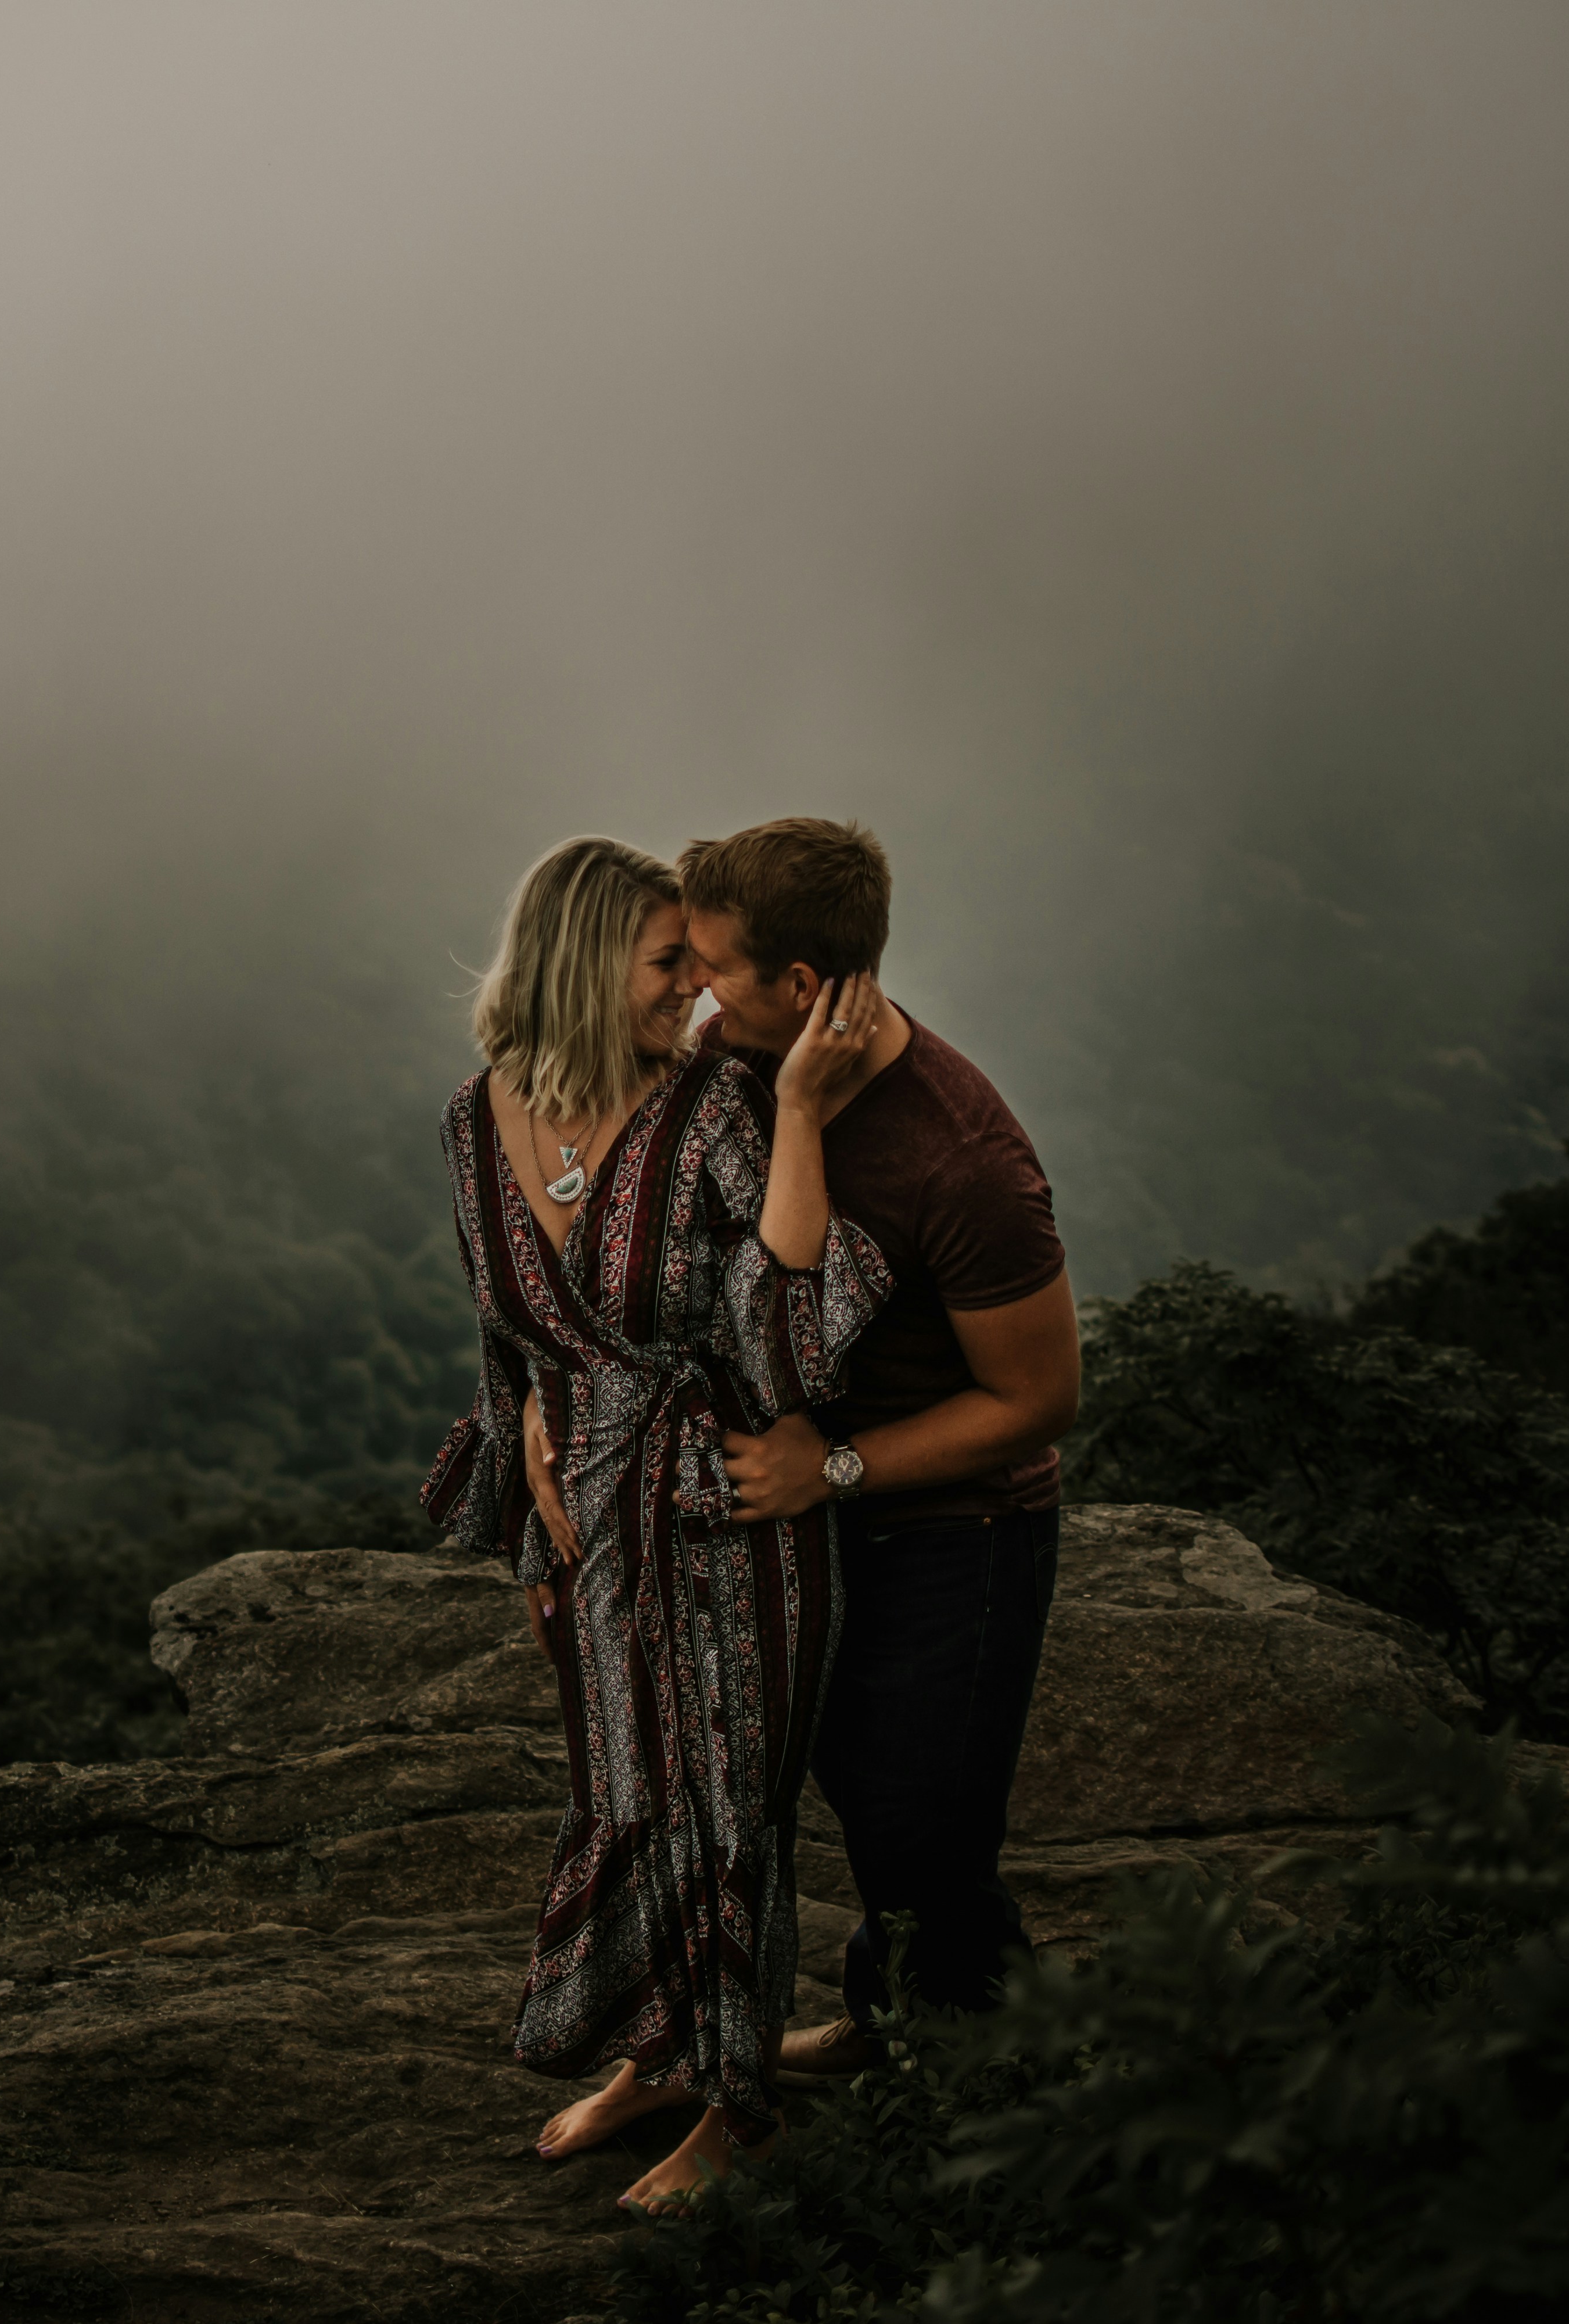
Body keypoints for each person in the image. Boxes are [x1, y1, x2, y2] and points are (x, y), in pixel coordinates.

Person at [421, 834, 891, 2214]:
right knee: (624, 1795)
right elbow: (501, 1329)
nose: (693, 987)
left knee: (726, 1809)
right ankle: (661, 2053)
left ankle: (741, 2108)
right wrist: (524, 1474)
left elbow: (795, 1336)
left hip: (722, 1510)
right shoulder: (473, 1116)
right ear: (575, 966)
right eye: (666, 960)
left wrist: (799, 1114)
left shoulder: (719, 1108)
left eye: (699, 957)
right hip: (587, 1529)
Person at [656, 815, 1080, 2068]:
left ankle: (1003, 2081)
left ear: (805, 985)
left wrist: (828, 1468)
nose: (694, 986)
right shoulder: (741, 1056)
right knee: (851, 1787)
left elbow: (1038, 1400)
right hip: (814, 1509)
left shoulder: (964, 1159)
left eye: (716, 966)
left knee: (925, 1825)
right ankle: (897, 2021)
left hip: (960, 1523)